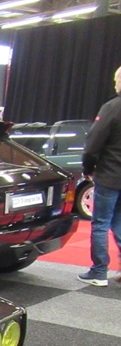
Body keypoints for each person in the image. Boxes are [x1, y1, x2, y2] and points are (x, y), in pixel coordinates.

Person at [78, 65, 121, 287]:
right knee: (120, 223)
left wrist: (87, 169)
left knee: (101, 223)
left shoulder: (112, 107)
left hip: (109, 175)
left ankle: (99, 271)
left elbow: (93, 144)